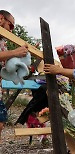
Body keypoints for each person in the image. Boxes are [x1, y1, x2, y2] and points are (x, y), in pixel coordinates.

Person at [0, 10, 28, 142]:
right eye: (10, 26)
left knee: (0, 124)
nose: (11, 31)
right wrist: (15, 52)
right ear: (1, 19)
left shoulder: (2, 44)